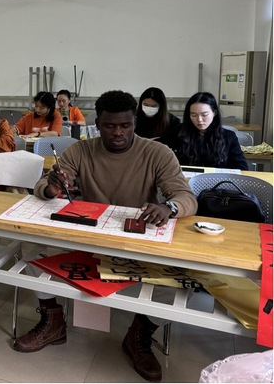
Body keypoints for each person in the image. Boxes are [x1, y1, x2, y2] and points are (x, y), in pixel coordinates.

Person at [15, 90, 197, 383]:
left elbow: (186, 197)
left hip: (135, 241)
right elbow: (43, 185)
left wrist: (169, 207)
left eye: (125, 125)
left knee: (179, 277)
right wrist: (52, 187)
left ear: (134, 122)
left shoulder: (157, 153)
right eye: (109, 126)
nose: (118, 132)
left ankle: (141, 332)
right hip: (88, 238)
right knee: (32, 246)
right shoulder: (80, 151)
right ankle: (52, 318)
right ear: (97, 124)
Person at [159, 92, 248, 170]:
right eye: (194, 115)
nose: (199, 120)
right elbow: (158, 145)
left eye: (204, 115)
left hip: (217, 182)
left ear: (214, 113)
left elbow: (241, 167)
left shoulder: (228, 136)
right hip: (184, 182)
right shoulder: (179, 132)